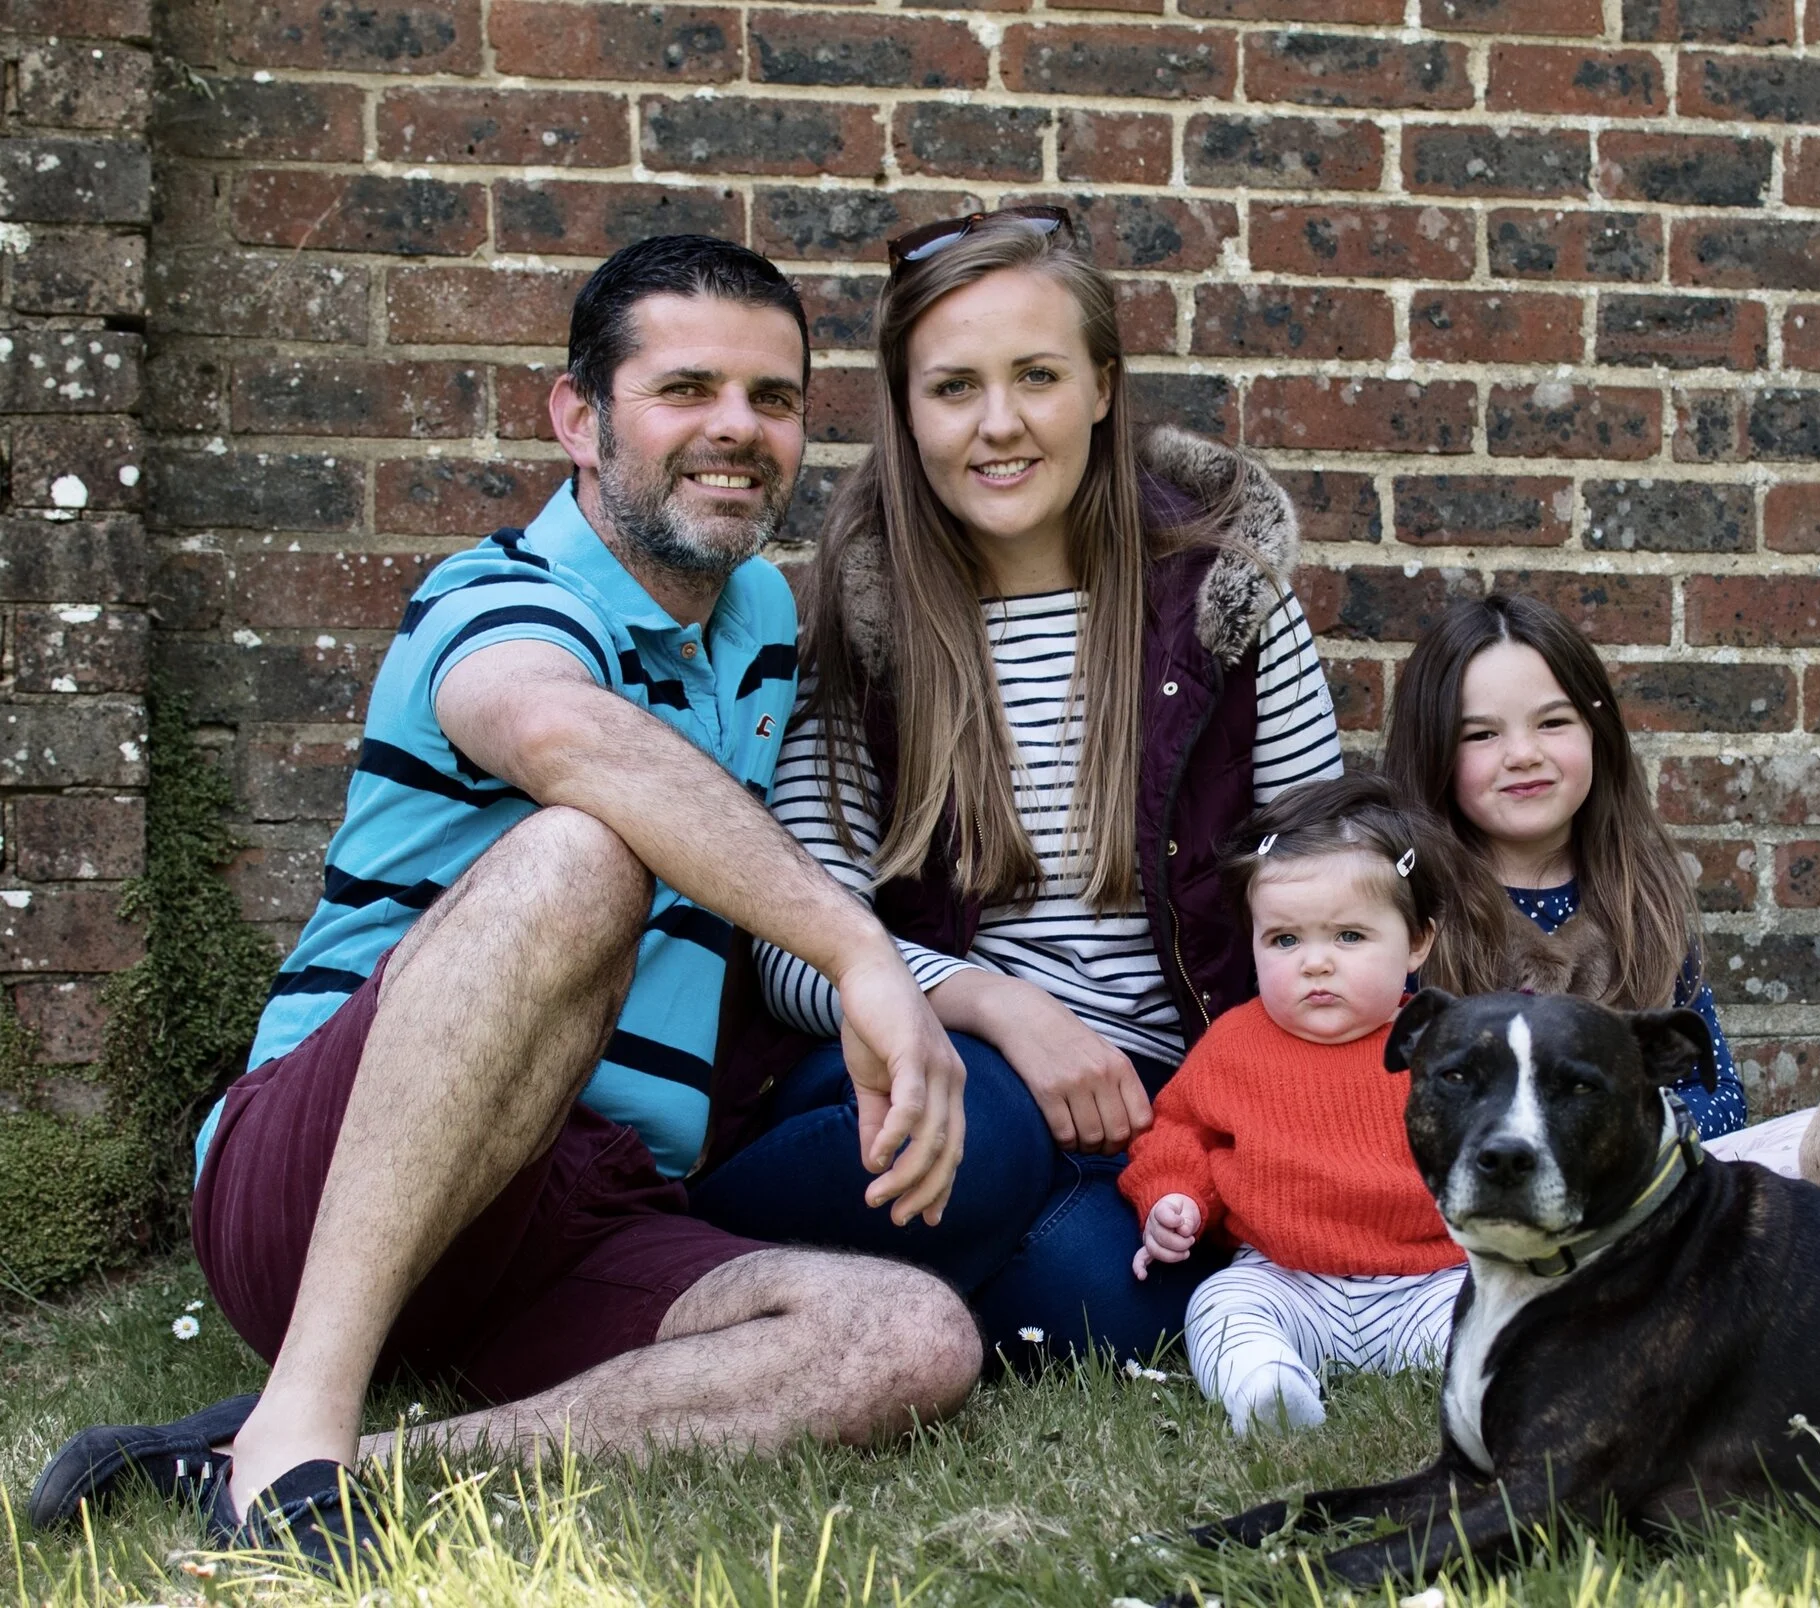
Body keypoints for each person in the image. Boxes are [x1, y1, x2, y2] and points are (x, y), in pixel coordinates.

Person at [30, 236, 981, 1567]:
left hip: (579, 1208)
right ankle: (297, 1442)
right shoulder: (493, 600)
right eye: (686, 388)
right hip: (328, 1173)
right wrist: (855, 952)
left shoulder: (762, 613)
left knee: (911, 1338)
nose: (738, 429)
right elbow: (558, 734)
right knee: (584, 851)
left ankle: (320, 1460)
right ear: (577, 419)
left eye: (772, 398)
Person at [687, 207, 1343, 1362]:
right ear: (906, 412)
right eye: (953, 389)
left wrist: (1236, 1110)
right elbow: (794, 944)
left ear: (1101, 385)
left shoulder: (1228, 610)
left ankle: (888, 1292)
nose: (999, 425)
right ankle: (690, 1252)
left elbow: (1324, 888)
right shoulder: (864, 630)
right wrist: (1000, 1008)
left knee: (1123, 1302)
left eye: (1036, 375)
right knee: (981, 1138)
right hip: (940, 1073)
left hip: (1158, 1111)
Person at [1122, 776, 1466, 1436]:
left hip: (1428, 1280)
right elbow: (1179, 1132)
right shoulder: (1234, 1046)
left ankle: (1492, 1382)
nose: (1315, 964)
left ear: (1417, 941)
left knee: (1492, 1316)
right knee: (1221, 1304)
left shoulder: (1445, 1043)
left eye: (1349, 937)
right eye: (1284, 940)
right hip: (1287, 1280)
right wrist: (1175, 1198)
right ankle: (1269, 1389)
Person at [1383, 592, 1754, 1144]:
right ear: (1433, 750)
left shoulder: (1645, 900)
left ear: (1596, 732)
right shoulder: (1408, 910)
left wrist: (1615, 1132)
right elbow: (1379, 1101)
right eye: (1482, 734)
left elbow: (1718, 1092)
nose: (1524, 753)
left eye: (1553, 721)